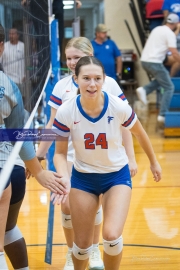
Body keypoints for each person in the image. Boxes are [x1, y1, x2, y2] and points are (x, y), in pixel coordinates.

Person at [51, 55, 162, 270]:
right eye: (86, 78)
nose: (92, 84)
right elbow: (60, 153)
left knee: (111, 236)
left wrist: (153, 162)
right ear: (76, 79)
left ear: (104, 80)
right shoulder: (67, 110)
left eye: (97, 78)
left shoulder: (117, 106)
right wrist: (64, 176)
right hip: (83, 178)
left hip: (116, 176)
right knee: (82, 245)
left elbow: (139, 133)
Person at [36, 36, 137, 270]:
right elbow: (51, 124)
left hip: (97, 156)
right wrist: (40, 156)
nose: (72, 62)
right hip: (67, 156)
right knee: (68, 207)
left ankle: (92, 252)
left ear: (89, 56)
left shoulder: (107, 83)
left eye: (77, 58)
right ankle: (75, 253)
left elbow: (126, 124)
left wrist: (131, 157)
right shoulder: (61, 86)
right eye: (69, 58)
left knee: (96, 205)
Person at [0, 24, 63, 269]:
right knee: (7, 229)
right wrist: (37, 171)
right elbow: (20, 134)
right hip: (13, 172)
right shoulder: (8, 87)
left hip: (8, 173)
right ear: (2, 47)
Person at [136, 13, 180, 124]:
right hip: (154, 63)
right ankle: (162, 115)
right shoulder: (169, 33)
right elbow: (174, 52)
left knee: (163, 80)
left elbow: (167, 40)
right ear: (175, 23)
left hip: (145, 61)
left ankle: (144, 90)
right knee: (169, 87)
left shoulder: (157, 29)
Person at [0, 27, 25, 99]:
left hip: (20, 79)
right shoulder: (4, 46)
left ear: (18, 35)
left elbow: (27, 62)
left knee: (21, 100)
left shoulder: (23, 46)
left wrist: (25, 74)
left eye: (13, 34)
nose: (11, 36)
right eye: (10, 34)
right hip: (8, 79)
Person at [162, 0, 180, 76]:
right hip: (166, 53)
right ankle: (170, 80)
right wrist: (178, 29)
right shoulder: (164, 30)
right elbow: (169, 41)